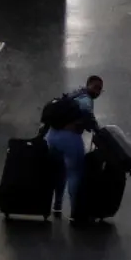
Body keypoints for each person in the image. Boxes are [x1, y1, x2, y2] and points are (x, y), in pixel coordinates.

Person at [44, 75, 104, 215]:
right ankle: (75, 212)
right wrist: (97, 130)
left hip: (52, 136)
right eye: (96, 87)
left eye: (100, 89)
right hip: (70, 138)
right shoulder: (86, 100)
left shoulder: (73, 94)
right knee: (74, 173)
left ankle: (56, 206)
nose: (97, 92)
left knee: (59, 172)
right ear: (88, 85)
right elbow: (87, 115)